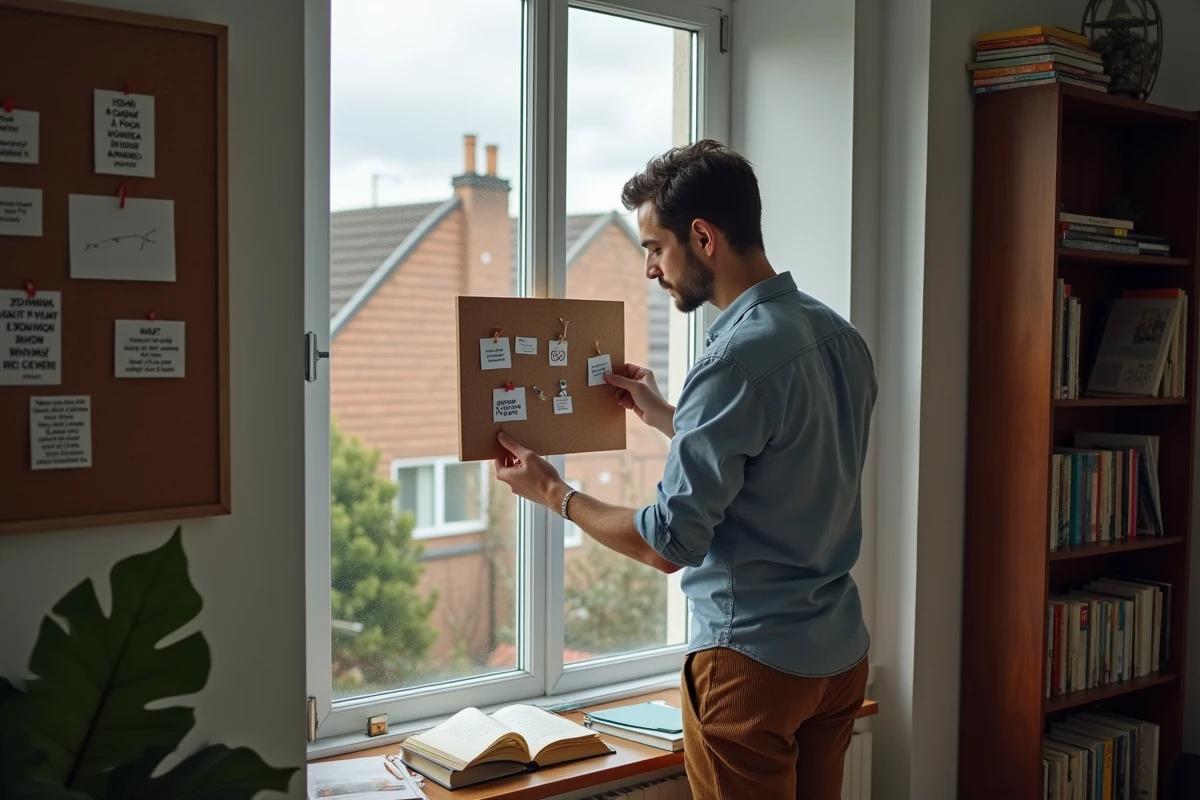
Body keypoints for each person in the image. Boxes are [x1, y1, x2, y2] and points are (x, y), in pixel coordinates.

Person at [492, 139, 877, 800]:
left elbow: (669, 543)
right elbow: (785, 456)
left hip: (753, 664)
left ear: (702, 237)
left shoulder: (732, 360)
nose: (650, 269)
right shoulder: (839, 336)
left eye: (653, 247)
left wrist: (554, 492)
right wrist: (667, 415)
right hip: (838, 655)